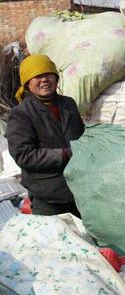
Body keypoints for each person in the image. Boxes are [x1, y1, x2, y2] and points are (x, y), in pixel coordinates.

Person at [6, 54, 85, 217]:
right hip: (48, 196)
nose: (44, 80)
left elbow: (82, 135)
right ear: (28, 83)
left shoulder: (68, 104)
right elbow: (23, 155)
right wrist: (63, 154)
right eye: (37, 76)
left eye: (48, 74)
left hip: (79, 190)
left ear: (56, 78)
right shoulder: (21, 114)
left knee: (85, 240)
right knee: (54, 241)